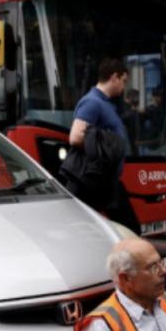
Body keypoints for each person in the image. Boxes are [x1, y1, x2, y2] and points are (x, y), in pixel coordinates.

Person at [63, 57, 140, 234]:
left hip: (106, 180)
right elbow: (75, 136)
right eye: (123, 81)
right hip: (96, 180)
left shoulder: (105, 103)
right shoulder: (92, 102)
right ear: (114, 77)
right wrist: (109, 147)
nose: (124, 87)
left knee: (122, 230)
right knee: (131, 230)